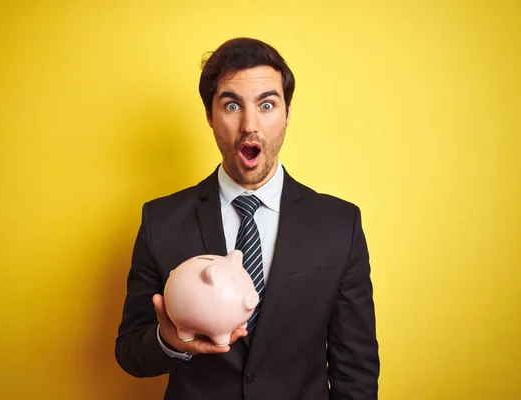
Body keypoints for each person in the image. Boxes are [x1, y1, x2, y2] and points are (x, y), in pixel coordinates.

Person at [115, 37, 379, 400]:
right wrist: (168, 341)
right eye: (232, 105)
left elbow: (357, 370)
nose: (250, 125)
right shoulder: (160, 221)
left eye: (267, 104)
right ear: (209, 115)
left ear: (287, 113)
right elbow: (130, 352)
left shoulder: (339, 224)